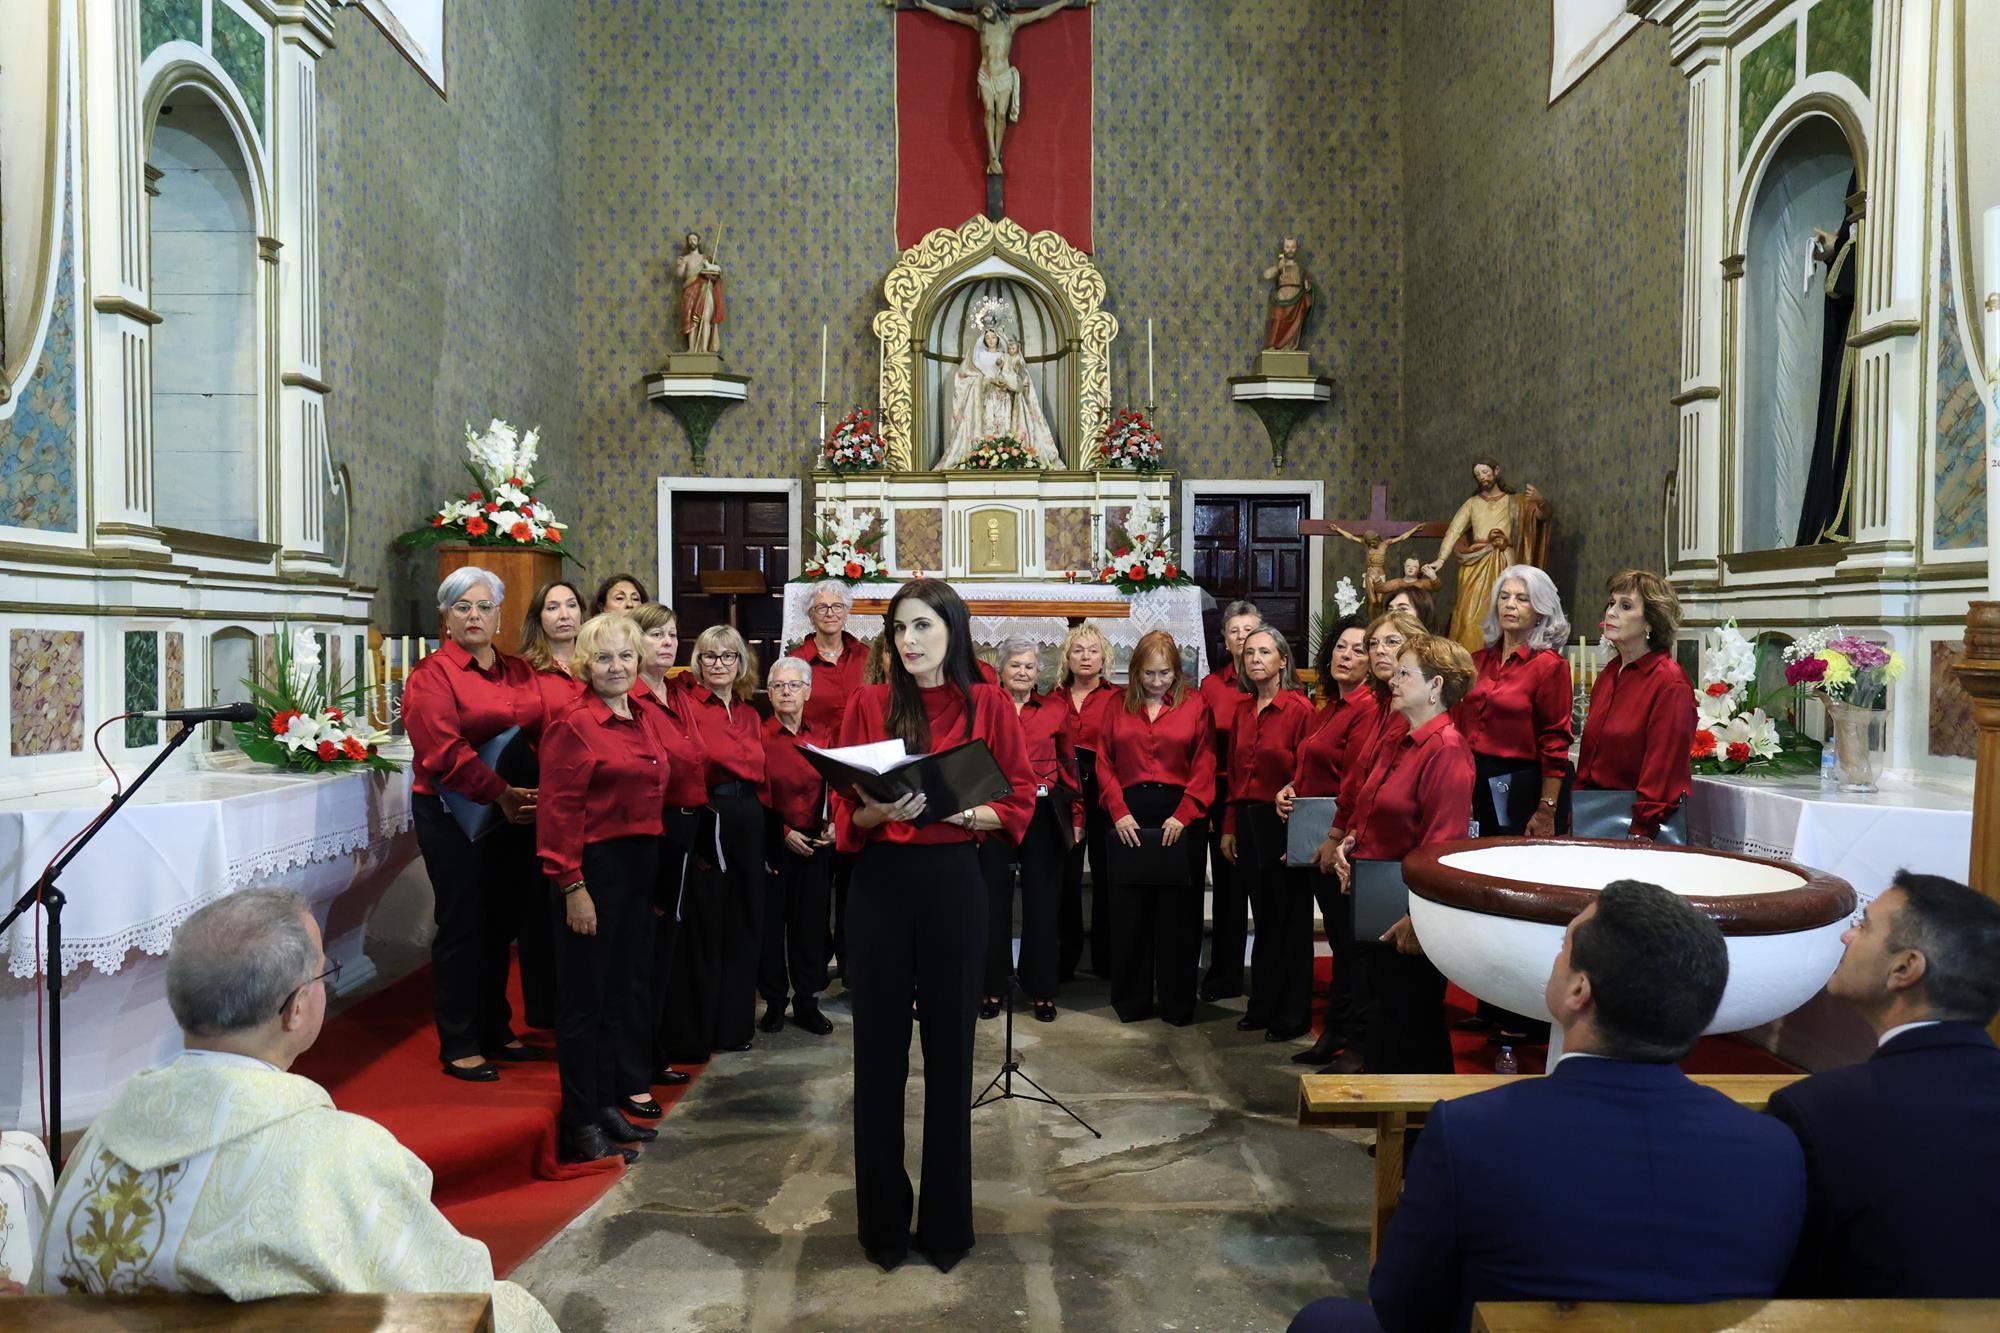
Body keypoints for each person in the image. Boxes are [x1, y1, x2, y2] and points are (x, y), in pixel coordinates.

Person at [1292, 881, 1806, 1333]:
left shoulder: (1470, 1134)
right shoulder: (1775, 1147)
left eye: (1563, 947)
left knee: (1323, 1319)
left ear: (1580, 990)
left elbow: (1401, 1308)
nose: (1556, 959)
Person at [36, 891, 556, 1331]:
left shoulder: (100, 1137)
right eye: (321, 974)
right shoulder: (340, 1155)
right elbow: (458, 1303)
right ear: (296, 1010)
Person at [831, 579, 1036, 1273]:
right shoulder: (867, 703)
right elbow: (845, 819)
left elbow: (1017, 802)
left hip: (956, 882)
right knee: (879, 1058)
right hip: (881, 887)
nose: (909, 641)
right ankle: (882, 1223)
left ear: (953, 629)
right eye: (897, 629)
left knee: (950, 1056)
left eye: (922, 626)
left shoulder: (990, 704)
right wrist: (877, 814)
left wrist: (953, 813)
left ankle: (947, 1223)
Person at [1767, 871, 2000, 1298]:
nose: (1847, 938)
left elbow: (1790, 1282)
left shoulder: (1820, 1111)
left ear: (1905, 968)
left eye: (1864, 925)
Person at [402, 568, 550, 1082]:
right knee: (464, 924)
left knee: (502, 922)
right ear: (446, 617)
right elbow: (442, 751)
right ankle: (460, 1040)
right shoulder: (433, 674)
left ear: (498, 614)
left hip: (516, 812)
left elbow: (541, 726)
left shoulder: (517, 670)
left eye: (484, 607)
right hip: (455, 812)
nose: (474, 616)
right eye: (462, 606)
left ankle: (496, 1028)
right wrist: (501, 793)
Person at [537, 614, 667, 1163]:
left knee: (619, 995)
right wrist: (573, 884)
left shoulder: (640, 715)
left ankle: (609, 1100)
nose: (616, 667)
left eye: (626, 656)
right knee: (584, 1003)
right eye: (604, 658)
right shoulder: (572, 723)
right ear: (586, 666)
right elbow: (557, 810)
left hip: (637, 867)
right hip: (593, 869)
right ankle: (580, 1120)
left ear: (639, 662)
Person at [1325, 633, 1478, 1074]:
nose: (1393, 678)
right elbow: (1374, 806)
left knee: (1412, 1023)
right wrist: (1352, 840)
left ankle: (1420, 1132)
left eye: (1406, 672)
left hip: (1409, 910)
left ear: (1436, 687)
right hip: (1377, 896)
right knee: (1383, 1019)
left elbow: (1441, 845)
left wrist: (1418, 916)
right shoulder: (1400, 739)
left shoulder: (1447, 750)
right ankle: (1389, 1127)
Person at [1455, 564, 1573, 1042]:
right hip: (1478, 781)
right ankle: (1489, 1003)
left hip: (1522, 786)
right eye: (1505, 596)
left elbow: (1555, 742)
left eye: (1521, 598)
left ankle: (1524, 1014)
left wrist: (1545, 809)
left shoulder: (1549, 666)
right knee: (1483, 895)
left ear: (1540, 609)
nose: (1510, 604)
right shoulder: (1479, 660)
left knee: (1518, 898)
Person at [1097, 630, 1216, 1025]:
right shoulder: (1117, 705)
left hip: (1180, 817)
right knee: (1130, 912)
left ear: (1176, 672)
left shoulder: (1195, 704)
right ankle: (1131, 1002)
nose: (1157, 682)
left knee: (1178, 916)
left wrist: (1185, 813)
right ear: (1135, 672)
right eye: (1149, 674)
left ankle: (1178, 1003)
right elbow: (1103, 762)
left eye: (1165, 673)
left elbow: (1204, 762)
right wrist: (1117, 811)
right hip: (1130, 815)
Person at [662, 623, 769, 1060]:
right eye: (710, 656)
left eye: (729, 656)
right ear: (698, 663)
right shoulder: (686, 704)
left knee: (746, 920)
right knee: (708, 923)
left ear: (742, 663)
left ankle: (734, 1025)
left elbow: (762, 775)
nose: (720, 664)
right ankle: (701, 1029)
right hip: (711, 815)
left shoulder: (748, 712)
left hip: (749, 817)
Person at [1277, 615, 1371, 1067]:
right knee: (1336, 936)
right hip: (1315, 829)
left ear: (1374, 661)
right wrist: (1290, 787)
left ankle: (1350, 1032)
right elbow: (1311, 763)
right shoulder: (1329, 705)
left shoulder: (1369, 709)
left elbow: (1352, 781)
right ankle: (1337, 1027)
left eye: (1357, 649)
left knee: (1350, 941)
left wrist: (1335, 840)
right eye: (1340, 647)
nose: (1345, 656)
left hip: (1340, 836)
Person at [1220, 625, 1317, 1043]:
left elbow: (1307, 774)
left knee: (1290, 919)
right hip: (1248, 818)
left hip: (1284, 819)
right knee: (1263, 918)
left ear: (1282, 659)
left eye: (1264, 652)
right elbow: (1233, 773)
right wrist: (1228, 826)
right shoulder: (1242, 710)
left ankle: (1293, 1012)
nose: (1255, 658)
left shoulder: (1299, 709)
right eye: (1249, 653)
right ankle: (1262, 1004)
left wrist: (1297, 825)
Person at [510, 577, 589, 1032]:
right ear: (538, 618)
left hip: (595, 802)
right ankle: (547, 1012)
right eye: (553, 606)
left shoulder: (598, 664)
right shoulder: (527, 673)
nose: (564, 613)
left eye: (571, 604)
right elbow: (520, 736)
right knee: (543, 910)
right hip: (548, 799)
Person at [628, 603, 701, 1090]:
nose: (667, 643)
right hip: (652, 831)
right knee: (643, 953)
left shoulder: (677, 693)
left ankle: (656, 1050)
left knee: (668, 949)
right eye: (656, 635)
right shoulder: (631, 697)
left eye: (673, 635)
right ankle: (638, 1061)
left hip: (686, 828)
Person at [984, 637, 1074, 1022]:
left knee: (1042, 905)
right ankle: (991, 987)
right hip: (996, 815)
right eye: (1015, 665)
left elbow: (1069, 767)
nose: (1022, 672)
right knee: (991, 905)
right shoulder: (987, 707)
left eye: (1029, 666)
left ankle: (1041, 989)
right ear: (1001, 671)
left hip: (1041, 815)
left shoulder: (1056, 709)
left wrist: (1079, 818)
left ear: (1039, 672)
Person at [1577, 570, 1696, 839]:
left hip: (1639, 826)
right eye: (1611, 603)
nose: (1611, 612)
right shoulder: (1609, 673)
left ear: (1650, 623)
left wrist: (1641, 830)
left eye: (1625, 606)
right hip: (1594, 814)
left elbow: (1664, 768)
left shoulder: (1669, 682)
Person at [791, 581, 869, 979]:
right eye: (822, 607)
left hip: (858, 775)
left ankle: (855, 968)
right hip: (814, 775)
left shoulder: (867, 657)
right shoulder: (797, 658)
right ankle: (813, 973)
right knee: (818, 882)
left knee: (854, 880)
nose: (830, 613)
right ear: (810, 613)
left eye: (837, 606)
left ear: (847, 611)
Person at [759, 657, 836, 1036]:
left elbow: (839, 783)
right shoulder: (758, 736)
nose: (786, 692)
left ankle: (807, 1001)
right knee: (772, 926)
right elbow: (756, 794)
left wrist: (835, 823)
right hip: (776, 842)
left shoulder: (824, 735)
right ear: (769, 693)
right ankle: (775, 1002)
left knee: (811, 926)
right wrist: (783, 831)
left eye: (794, 685)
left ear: (808, 691)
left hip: (817, 843)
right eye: (778, 686)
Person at [1199, 600, 1266, 1001]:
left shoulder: (1271, 680)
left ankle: (1265, 976)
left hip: (1261, 795)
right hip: (1223, 794)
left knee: (1261, 890)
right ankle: (1223, 974)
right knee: (1227, 892)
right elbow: (1206, 746)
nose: (1242, 638)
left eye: (1249, 630)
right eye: (1235, 631)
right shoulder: (1211, 686)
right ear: (1225, 640)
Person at [1054, 620, 1121, 980]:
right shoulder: (1053, 697)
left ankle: (1106, 958)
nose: (1085, 656)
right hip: (1065, 791)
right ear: (1067, 656)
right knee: (1066, 876)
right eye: (1078, 650)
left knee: (1107, 874)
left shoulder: (1117, 697)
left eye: (1092, 650)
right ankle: (1066, 957)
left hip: (1104, 788)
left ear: (1104, 657)